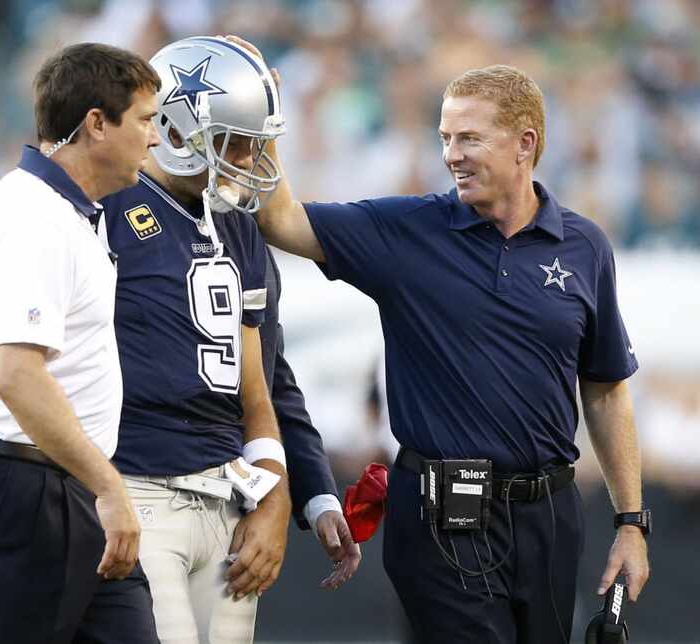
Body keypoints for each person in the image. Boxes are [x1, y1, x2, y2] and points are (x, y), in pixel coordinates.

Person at [252, 57, 650, 643]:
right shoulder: (407, 229)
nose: (451, 154)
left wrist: (631, 523)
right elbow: (281, 220)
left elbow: (606, 389)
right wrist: (261, 116)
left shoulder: (586, 246)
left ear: (525, 143)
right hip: (442, 514)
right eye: (445, 137)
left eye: (469, 137)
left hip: (549, 513)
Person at [98, 36, 359, 644]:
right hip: (135, 483)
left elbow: (268, 380)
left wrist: (294, 496)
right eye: (234, 140)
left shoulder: (239, 227)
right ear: (177, 125)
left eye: (256, 141)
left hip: (229, 494)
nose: (249, 158)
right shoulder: (102, 210)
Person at [0, 43, 162, 644]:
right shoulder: (37, 216)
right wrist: (109, 487)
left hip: (57, 483)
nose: (155, 138)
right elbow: (16, 375)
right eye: (144, 119)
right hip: (19, 489)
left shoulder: (69, 211)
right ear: (96, 124)